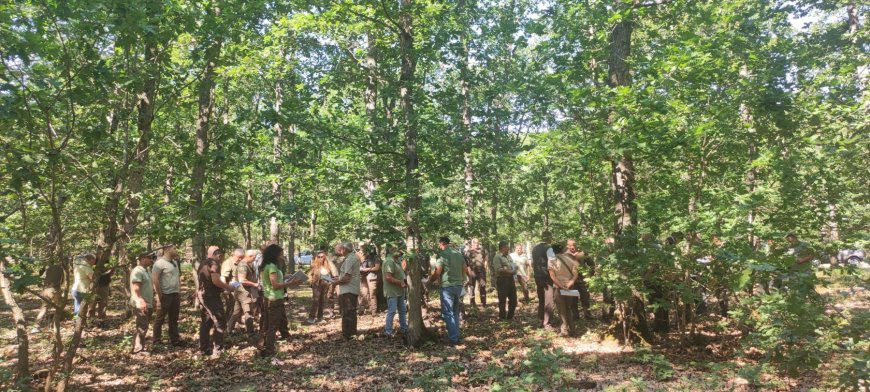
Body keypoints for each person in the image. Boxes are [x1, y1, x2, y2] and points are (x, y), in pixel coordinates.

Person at [258, 244, 302, 356]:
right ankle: (269, 350)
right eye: (280, 254)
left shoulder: (268, 265)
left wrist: (289, 277)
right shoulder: (272, 266)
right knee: (273, 326)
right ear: (275, 254)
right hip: (274, 298)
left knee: (267, 324)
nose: (282, 256)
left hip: (270, 297)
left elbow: (277, 279)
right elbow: (275, 285)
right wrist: (292, 283)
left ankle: (262, 345)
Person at [197, 247, 237, 358]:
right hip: (211, 297)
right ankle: (218, 349)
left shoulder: (203, 263)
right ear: (217, 254)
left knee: (207, 321)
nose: (221, 258)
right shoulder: (213, 263)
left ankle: (204, 348)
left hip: (204, 295)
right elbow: (215, 280)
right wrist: (228, 287)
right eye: (221, 256)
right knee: (220, 320)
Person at [430, 236, 464, 345]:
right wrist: (462, 280)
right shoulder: (458, 254)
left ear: (442, 244)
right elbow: (465, 268)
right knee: (454, 311)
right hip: (458, 286)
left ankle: (453, 338)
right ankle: (456, 335)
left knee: (448, 313)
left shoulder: (443, 255)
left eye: (439, 245)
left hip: (447, 287)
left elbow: (438, 271)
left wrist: (429, 281)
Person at [152, 244, 183, 347]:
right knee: (160, 319)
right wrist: (159, 295)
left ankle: (175, 339)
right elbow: (155, 279)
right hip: (165, 295)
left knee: (174, 318)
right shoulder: (159, 264)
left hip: (175, 295)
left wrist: (179, 290)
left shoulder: (174, 262)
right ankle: (156, 341)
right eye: (174, 248)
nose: (176, 250)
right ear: (167, 250)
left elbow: (177, 277)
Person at [228, 249, 259, 343]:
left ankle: (229, 329)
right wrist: (255, 285)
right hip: (244, 293)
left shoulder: (247, 264)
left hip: (241, 292)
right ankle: (250, 333)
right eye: (254, 257)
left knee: (236, 312)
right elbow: (242, 280)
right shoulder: (243, 266)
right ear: (249, 256)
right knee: (248, 313)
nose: (255, 259)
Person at [549, 243, 579, 336]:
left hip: (558, 287)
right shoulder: (570, 259)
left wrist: (560, 286)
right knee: (569, 308)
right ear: (562, 250)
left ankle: (564, 330)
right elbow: (575, 274)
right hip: (570, 287)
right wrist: (570, 283)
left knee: (561, 309)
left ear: (553, 251)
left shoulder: (551, 260)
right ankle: (573, 329)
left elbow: (552, 276)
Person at [333, 242, 361, 339]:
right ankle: (350, 333)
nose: (338, 251)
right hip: (349, 289)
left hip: (348, 290)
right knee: (348, 312)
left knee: (348, 312)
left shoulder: (350, 259)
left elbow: (347, 278)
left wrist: (335, 283)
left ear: (344, 249)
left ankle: (348, 334)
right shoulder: (351, 258)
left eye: (339, 249)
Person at [130, 252, 155, 355]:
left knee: (144, 325)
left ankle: (140, 346)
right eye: (149, 258)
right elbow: (136, 287)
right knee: (142, 325)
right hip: (140, 303)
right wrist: (140, 300)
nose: (151, 260)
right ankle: (138, 349)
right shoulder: (137, 271)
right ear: (142, 259)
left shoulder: (147, 271)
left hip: (148, 302)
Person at [532, 231, 557, 329]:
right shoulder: (549, 248)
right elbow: (552, 263)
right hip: (547, 277)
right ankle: (547, 323)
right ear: (549, 238)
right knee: (549, 300)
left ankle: (540, 320)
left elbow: (533, 263)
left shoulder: (534, 249)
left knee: (541, 299)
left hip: (537, 276)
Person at [382, 247, 408, 336]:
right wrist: (400, 282)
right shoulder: (389, 261)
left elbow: (401, 271)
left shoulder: (397, 260)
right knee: (392, 310)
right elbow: (388, 277)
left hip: (400, 290)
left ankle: (404, 328)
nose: (399, 252)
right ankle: (388, 331)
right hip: (392, 290)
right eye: (397, 250)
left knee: (402, 310)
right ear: (391, 250)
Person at [566, 239, 594, 321]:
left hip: (583, 280)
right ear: (567, 246)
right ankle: (575, 316)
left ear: (577, 245)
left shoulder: (583, 253)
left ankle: (587, 315)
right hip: (571, 281)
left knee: (585, 298)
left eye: (574, 245)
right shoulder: (565, 255)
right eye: (570, 245)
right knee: (573, 300)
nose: (572, 247)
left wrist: (589, 276)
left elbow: (592, 265)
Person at [306, 250, 336, 324]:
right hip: (317, 284)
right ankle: (311, 317)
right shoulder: (314, 265)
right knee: (316, 300)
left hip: (325, 284)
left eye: (322, 257)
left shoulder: (328, 265)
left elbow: (332, 274)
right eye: (318, 257)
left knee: (322, 301)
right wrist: (311, 281)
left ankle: (320, 317)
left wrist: (330, 282)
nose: (320, 258)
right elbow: (309, 274)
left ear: (324, 257)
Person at [492, 241, 518, 320]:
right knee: (502, 299)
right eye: (507, 247)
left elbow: (512, 265)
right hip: (502, 280)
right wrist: (511, 272)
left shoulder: (508, 256)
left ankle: (510, 316)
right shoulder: (497, 257)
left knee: (513, 299)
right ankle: (502, 317)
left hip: (511, 279)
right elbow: (499, 270)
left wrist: (515, 269)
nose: (508, 249)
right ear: (502, 248)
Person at [464, 238, 488, 308]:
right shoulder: (468, 252)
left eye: (477, 242)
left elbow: (486, 260)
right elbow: (467, 263)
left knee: (483, 286)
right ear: (472, 243)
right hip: (472, 271)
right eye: (474, 242)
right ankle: (472, 304)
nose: (476, 244)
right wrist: (468, 272)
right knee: (472, 287)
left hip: (481, 271)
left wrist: (485, 268)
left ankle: (483, 303)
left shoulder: (483, 250)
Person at [221, 249, 244, 319]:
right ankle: (227, 324)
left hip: (237, 288)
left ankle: (235, 322)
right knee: (231, 307)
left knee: (237, 307)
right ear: (234, 255)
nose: (240, 259)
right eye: (239, 257)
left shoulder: (239, 262)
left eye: (241, 257)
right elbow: (223, 277)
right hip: (230, 289)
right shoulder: (228, 263)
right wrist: (226, 289)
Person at [359, 244, 381, 316]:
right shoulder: (363, 257)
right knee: (364, 294)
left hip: (372, 277)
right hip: (363, 277)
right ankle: (361, 310)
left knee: (372, 294)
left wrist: (368, 269)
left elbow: (377, 268)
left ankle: (373, 311)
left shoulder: (375, 258)